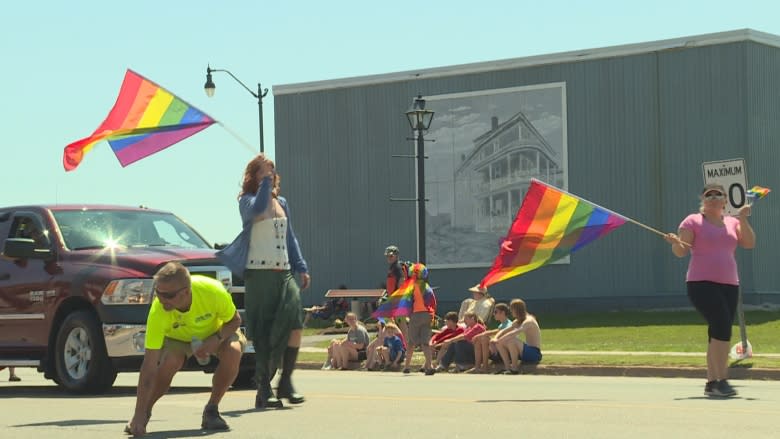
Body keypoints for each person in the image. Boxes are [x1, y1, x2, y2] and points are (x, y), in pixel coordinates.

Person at [217, 154, 311, 409]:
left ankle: (286, 381)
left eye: (271, 171)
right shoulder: (247, 202)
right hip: (259, 273)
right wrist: (264, 187)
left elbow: (290, 237)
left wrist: (301, 266)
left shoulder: (282, 202)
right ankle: (263, 387)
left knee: (295, 323)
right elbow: (257, 211)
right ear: (253, 176)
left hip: (284, 271)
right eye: (263, 172)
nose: (269, 175)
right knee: (263, 331)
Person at [125, 262, 244, 436]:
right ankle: (145, 412)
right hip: (179, 338)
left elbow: (235, 320)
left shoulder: (212, 291)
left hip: (216, 332)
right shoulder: (159, 311)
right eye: (158, 292)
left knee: (233, 351)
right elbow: (149, 367)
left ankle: (211, 409)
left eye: (169, 295)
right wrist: (139, 413)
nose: (162, 299)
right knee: (170, 361)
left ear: (186, 292)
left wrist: (215, 339)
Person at [664, 183, 755, 397]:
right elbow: (680, 252)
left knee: (718, 330)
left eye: (718, 195)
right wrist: (674, 243)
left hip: (730, 283)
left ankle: (712, 382)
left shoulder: (733, 222)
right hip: (701, 283)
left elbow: (749, 243)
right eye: (709, 195)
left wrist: (743, 219)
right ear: (703, 200)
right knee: (722, 324)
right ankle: (721, 379)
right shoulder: (693, 221)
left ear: (725, 200)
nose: (714, 198)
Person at [400, 263, 437, 375]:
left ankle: (407, 366)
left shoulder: (411, 287)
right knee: (425, 342)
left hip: (415, 315)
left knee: (411, 342)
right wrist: (432, 315)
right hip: (427, 315)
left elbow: (406, 301)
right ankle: (429, 366)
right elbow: (433, 302)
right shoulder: (427, 287)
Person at [491, 299, 542, 375]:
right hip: (525, 352)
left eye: (512, 310)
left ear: (517, 310)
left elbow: (514, 332)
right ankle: (507, 368)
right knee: (500, 342)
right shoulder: (517, 321)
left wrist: (500, 340)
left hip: (534, 353)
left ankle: (514, 368)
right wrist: (495, 339)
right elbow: (504, 330)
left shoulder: (529, 321)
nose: (511, 312)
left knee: (512, 340)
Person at [471, 302, 512, 373]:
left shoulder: (509, 324)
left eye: (495, 312)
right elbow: (494, 331)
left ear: (502, 313)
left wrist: (491, 341)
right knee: (479, 340)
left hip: (505, 354)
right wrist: (478, 336)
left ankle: (485, 367)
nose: (494, 314)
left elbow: (502, 334)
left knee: (484, 339)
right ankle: (477, 367)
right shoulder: (501, 325)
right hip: (497, 352)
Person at [383, 245, 409, 342]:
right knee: (394, 322)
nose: (389, 258)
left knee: (401, 323)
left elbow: (402, 280)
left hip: (398, 300)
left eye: (391, 256)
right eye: (387, 256)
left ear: (396, 256)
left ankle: (406, 345)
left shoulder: (397, 267)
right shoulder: (393, 267)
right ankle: (398, 342)